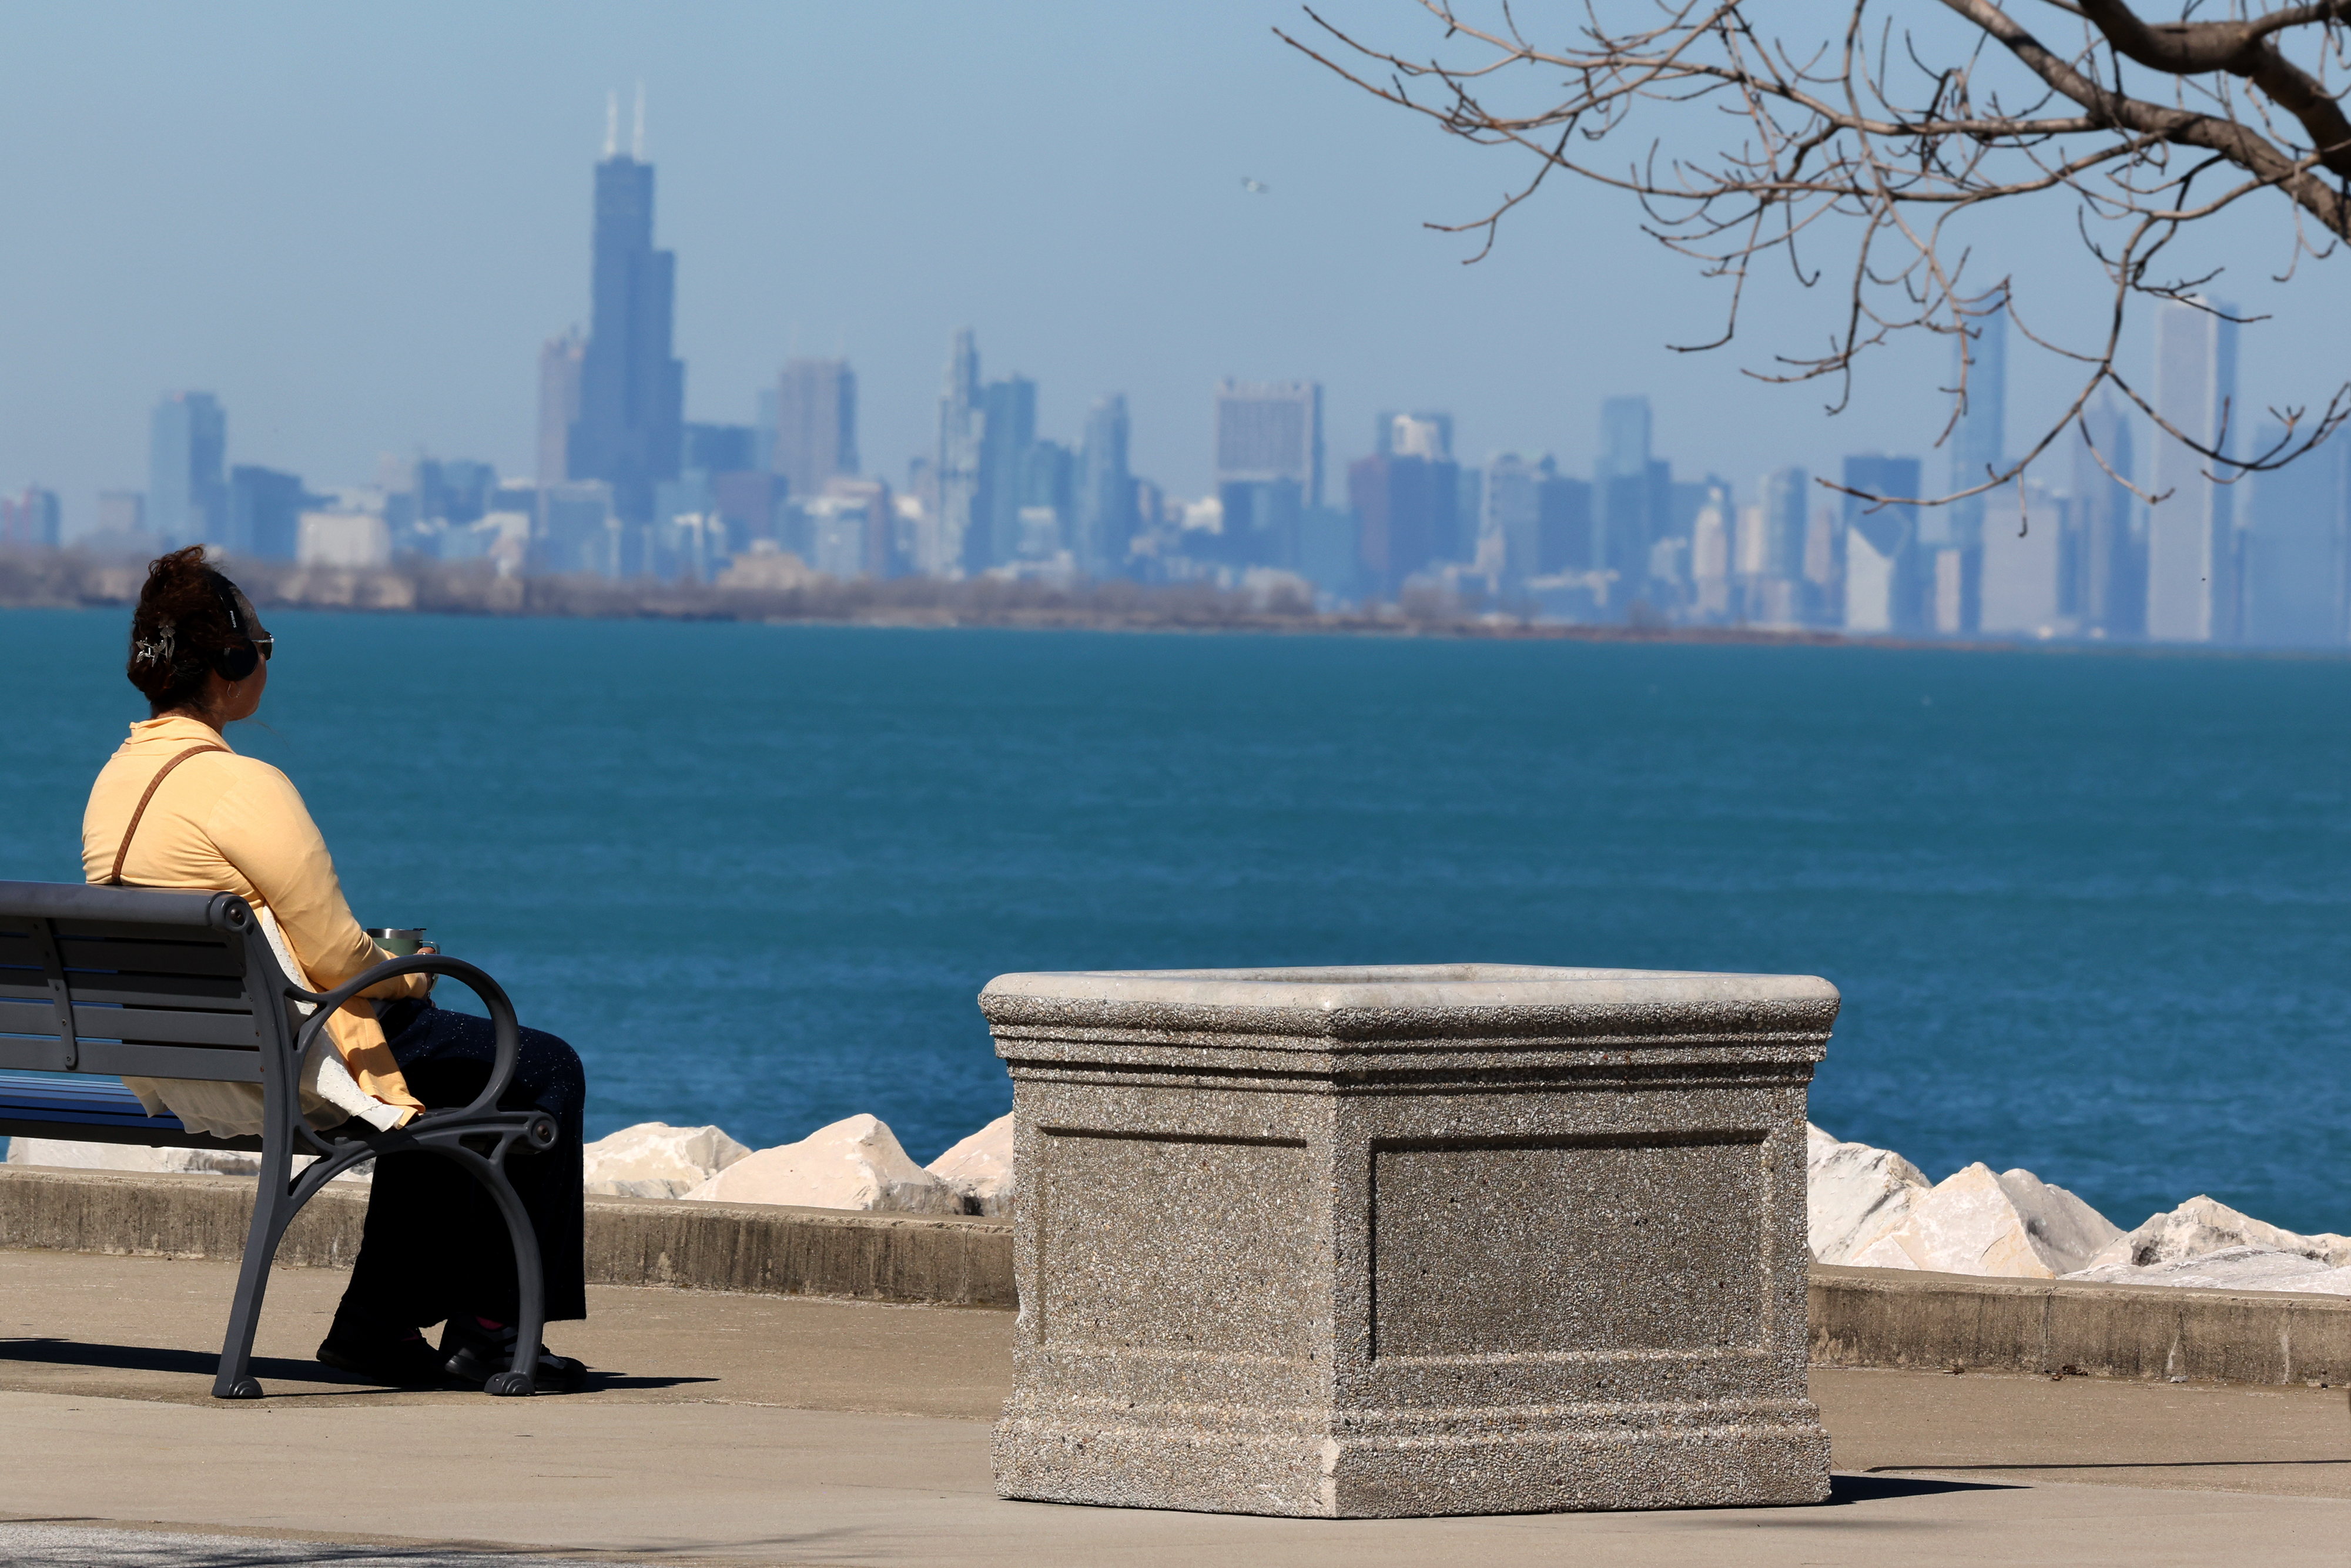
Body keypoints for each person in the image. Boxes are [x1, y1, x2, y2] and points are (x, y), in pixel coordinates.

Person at [82, 545, 589, 1390]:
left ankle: (379, 1328)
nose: (266, 661)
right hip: (274, 1069)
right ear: (233, 663)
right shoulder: (243, 787)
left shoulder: (115, 783)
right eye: (263, 645)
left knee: (437, 1078)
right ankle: (497, 1334)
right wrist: (413, 972)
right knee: (541, 1066)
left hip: (179, 1063)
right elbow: (336, 953)